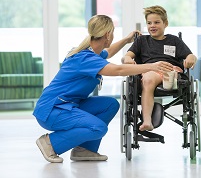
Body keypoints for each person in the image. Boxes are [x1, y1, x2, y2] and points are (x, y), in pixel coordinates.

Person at [33, 14, 174, 163]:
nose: (112, 36)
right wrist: (152, 66)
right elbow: (118, 70)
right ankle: (50, 143)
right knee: (97, 128)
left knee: (110, 105)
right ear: (107, 34)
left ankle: (84, 150)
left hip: (68, 105)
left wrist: (127, 40)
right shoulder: (84, 58)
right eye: (112, 32)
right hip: (53, 110)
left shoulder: (92, 52)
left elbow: (109, 52)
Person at [121, 5, 197, 132]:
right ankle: (147, 121)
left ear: (165, 23)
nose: (152, 25)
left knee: (166, 75)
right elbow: (127, 57)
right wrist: (127, 59)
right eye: (149, 23)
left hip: (171, 70)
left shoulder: (174, 40)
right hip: (150, 71)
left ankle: (169, 83)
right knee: (148, 79)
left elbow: (190, 55)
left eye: (157, 22)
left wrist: (191, 58)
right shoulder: (141, 41)